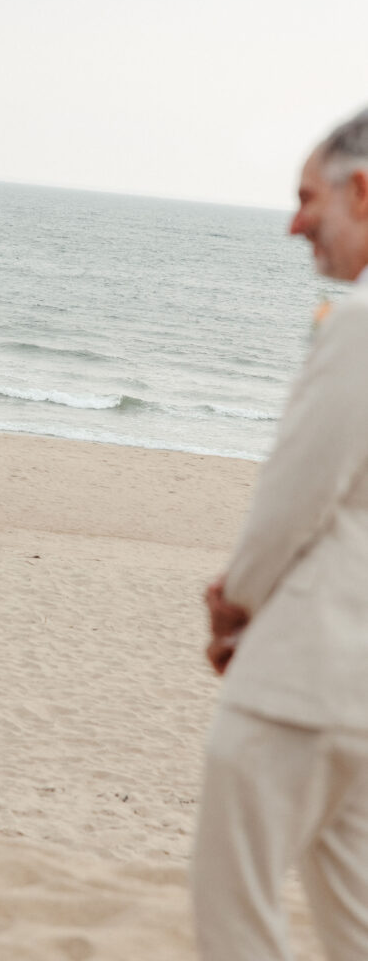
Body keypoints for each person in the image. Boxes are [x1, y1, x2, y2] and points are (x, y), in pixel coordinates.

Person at [191, 106, 368, 960]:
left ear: (361, 191)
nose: (294, 224)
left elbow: (295, 493)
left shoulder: (359, 328)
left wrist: (237, 604)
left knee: (236, 915)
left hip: (306, 670)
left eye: (307, 199)